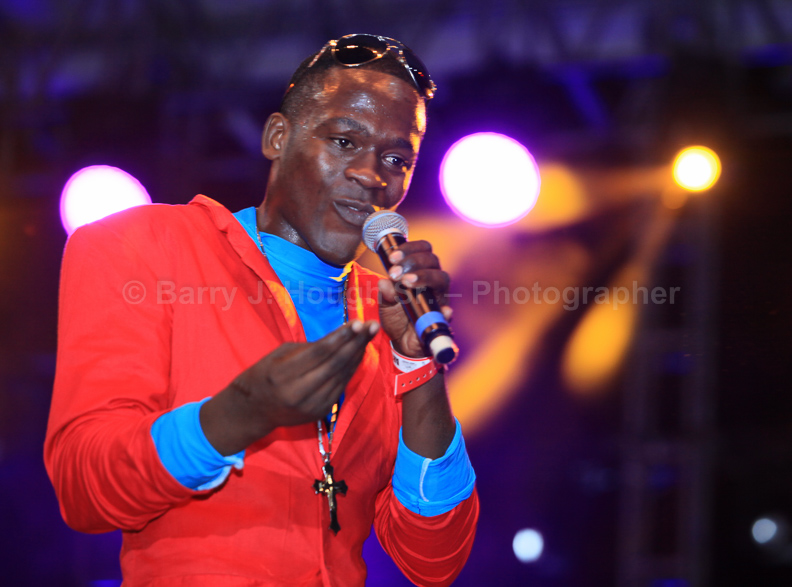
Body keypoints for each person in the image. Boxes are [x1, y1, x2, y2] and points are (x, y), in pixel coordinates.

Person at [44, 34, 479, 587]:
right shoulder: (142, 245)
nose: (372, 174)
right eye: (344, 141)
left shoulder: (388, 313)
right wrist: (240, 414)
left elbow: (433, 559)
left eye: (397, 158)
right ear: (278, 137)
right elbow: (84, 489)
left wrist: (416, 364)